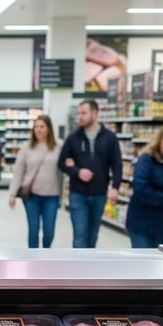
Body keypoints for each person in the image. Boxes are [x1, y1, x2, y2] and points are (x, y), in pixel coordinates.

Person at [57, 99, 122, 248]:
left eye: (84, 113)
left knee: (92, 235)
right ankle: (79, 269)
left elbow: (116, 163)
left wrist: (115, 187)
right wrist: (77, 171)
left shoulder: (109, 137)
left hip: (100, 193)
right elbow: (61, 162)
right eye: (79, 113)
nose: (80, 116)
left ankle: (88, 266)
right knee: (80, 233)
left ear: (95, 113)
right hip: (78, 194)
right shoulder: (73, 137)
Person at [7, 114, 62, 248]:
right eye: (36, 127)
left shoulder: (59, 145)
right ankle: (33, 259)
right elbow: (18, 172)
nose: (38, 130)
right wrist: (12, 194)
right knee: (33, 228)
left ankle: (45, 253)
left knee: (49, 231)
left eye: (42, 127)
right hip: (31, 196)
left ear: (49, 128)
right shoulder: (27, 147)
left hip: (52, 196)